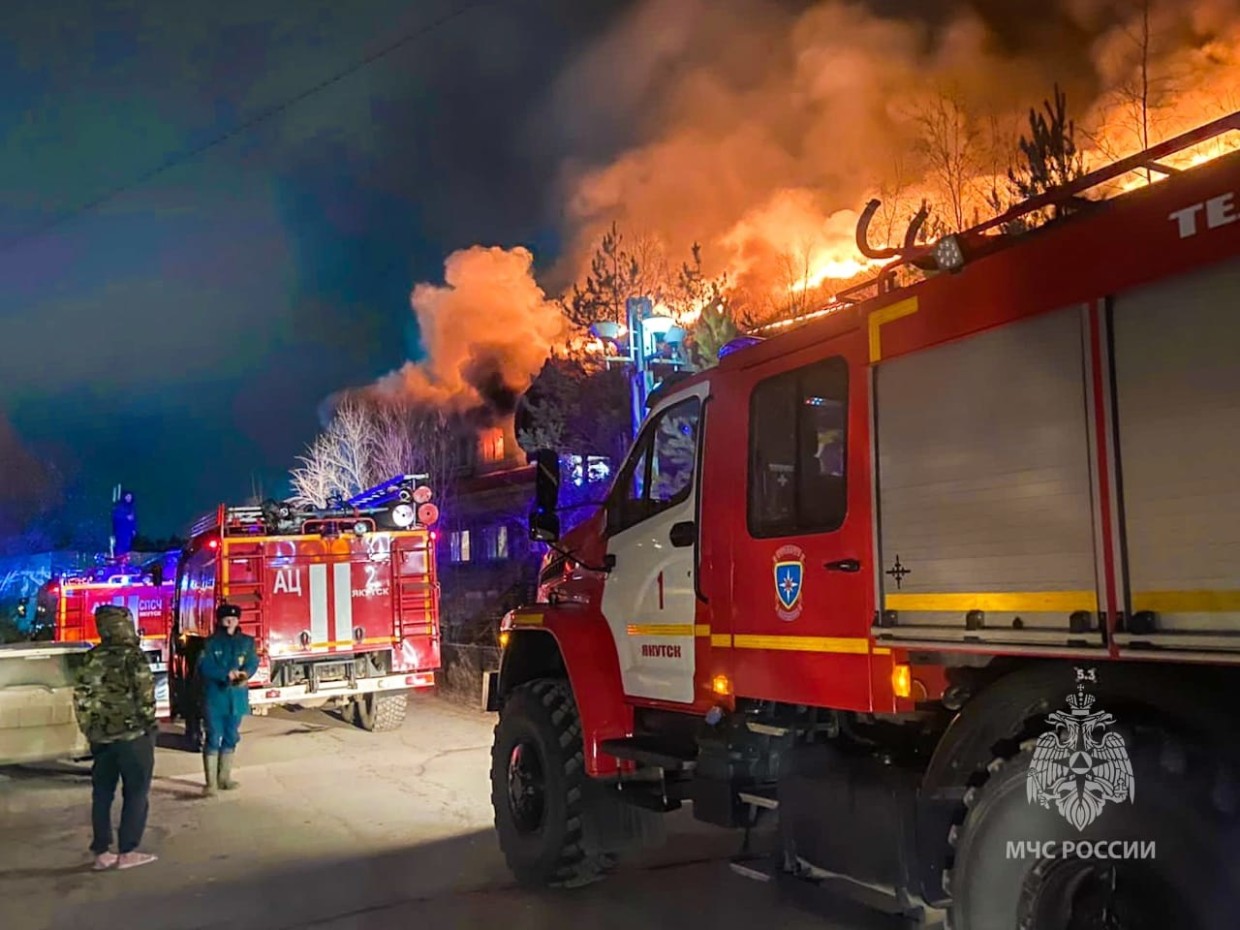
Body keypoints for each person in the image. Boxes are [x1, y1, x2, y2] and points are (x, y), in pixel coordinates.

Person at [72, 605, 159, 871]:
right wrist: (149, 724)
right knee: (135, 792)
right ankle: (127, 851)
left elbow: (80, 699)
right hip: (133, 736)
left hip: (102, 738)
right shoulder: (132, 656)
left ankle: (101, 852)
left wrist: (90, 730)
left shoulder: (91, 657)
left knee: (102, 794)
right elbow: (145, 696)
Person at [198, 603, 258, 795]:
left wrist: (245, 674)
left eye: (233, 618)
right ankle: (211, 784)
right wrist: (226, 674)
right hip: (215, 697)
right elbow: (204, 667)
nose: (230, 621)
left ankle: (224, 778)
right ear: (220, 620)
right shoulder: (210, 643)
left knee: (232, 736)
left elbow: (252, 662)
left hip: (236, 698)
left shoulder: (247, 642)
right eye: (226, 618)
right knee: (213, 736)